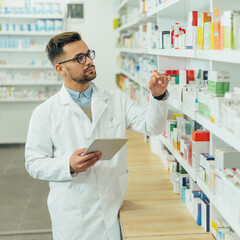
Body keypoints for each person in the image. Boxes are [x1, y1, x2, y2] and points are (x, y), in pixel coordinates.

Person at [24, 32, 170, 240]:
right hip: (73, 216)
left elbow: (152, 127)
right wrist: (68, 165)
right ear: (60, 69)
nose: (89, 61)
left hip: (112, 207)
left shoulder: (115, 99)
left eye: (88, 54)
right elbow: (34, 163)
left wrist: (158, 96)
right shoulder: (45, 113)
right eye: (79, 58)